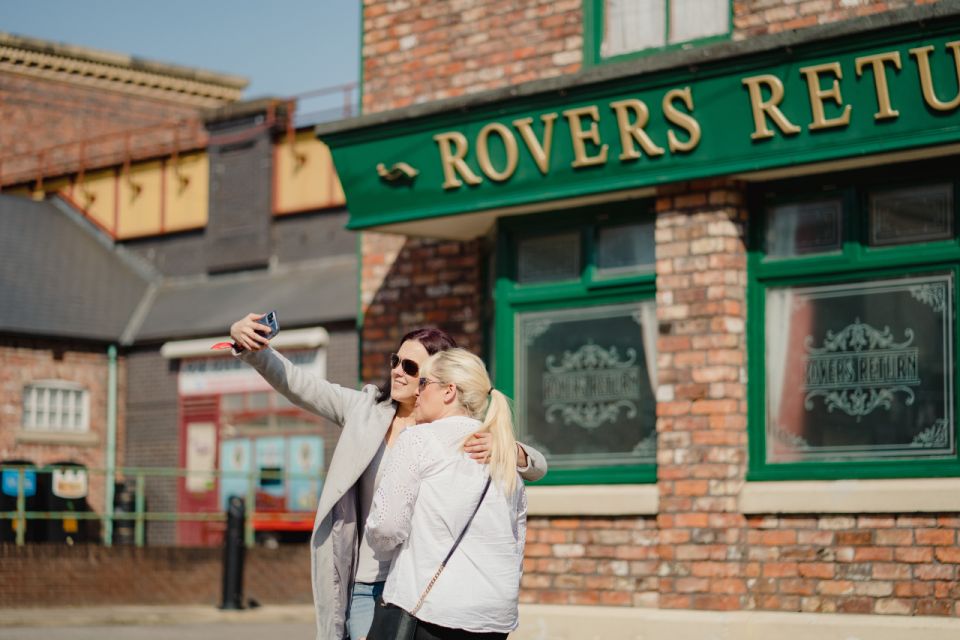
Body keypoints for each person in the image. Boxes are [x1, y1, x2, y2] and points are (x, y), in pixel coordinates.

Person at [229, 314, 547, 640]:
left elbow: (535, 468)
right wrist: (253, 349)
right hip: (369, 583)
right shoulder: (364, 410)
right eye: (396, 360)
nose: (396, 370)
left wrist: (512, 450)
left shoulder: (459, 430)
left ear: (438, 379)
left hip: (429, 586)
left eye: (411, 368)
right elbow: (300, 385)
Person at [365, 348, 527, 640]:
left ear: (449, 390)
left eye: (424, 382)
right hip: (493, 615)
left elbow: (387, 526)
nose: (417, 391)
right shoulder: (504, 455)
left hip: (430, 609)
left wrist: (382, 547)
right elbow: (516, 540)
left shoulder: (418, 440)